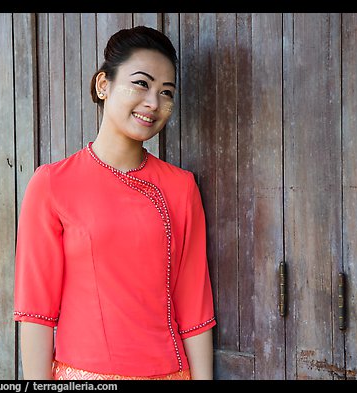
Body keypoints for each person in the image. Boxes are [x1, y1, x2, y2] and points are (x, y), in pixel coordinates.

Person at [14, 26, 216, 380]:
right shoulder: (51, 184)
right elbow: (36, 313)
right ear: (103, 85)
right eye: (141, 83)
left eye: (166, 92)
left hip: (172, 373)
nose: (154, 102)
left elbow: (194, 305)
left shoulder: (181, 187)